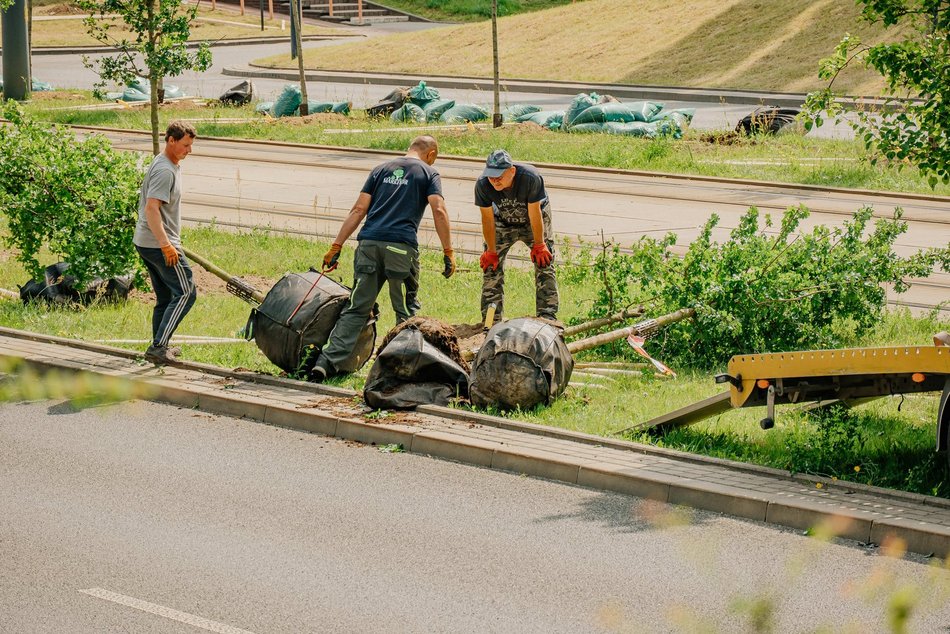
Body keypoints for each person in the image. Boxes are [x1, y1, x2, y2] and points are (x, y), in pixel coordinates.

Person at [312, 135, 455, 382]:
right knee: (405, 312)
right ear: (431, 155)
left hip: (368, 245)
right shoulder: (429, 174)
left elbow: (358, 210)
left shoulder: (380, 170)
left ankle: (326, 363)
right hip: (401, 249)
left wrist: (336, 245)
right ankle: (400, 370)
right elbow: (439, 210)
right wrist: (448, 251)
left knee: (357, 308)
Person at [133, 120, 198, 365]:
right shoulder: (165, 170)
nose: (189, 150)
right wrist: (166, 245)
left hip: (146, 242)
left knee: (165, 297)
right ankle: (159, 347)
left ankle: (160, 344)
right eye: (185, 145)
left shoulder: (169, 163)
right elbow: (152, 209)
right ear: (171, 140)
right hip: (159, 244)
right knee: (186, 293)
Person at [475, 149, 558, 324]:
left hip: (533, 220)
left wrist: (539, 244)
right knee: (491, 267)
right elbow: (487, 219)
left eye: (499, 175)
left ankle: (547, 317)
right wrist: (490, 250)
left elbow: (534, 213)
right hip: (501, 222)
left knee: (544, 262)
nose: (494, 180)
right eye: (491, 175)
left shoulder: (530, 178)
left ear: (512, 171)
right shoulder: (483, 185)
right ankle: (491, 320)